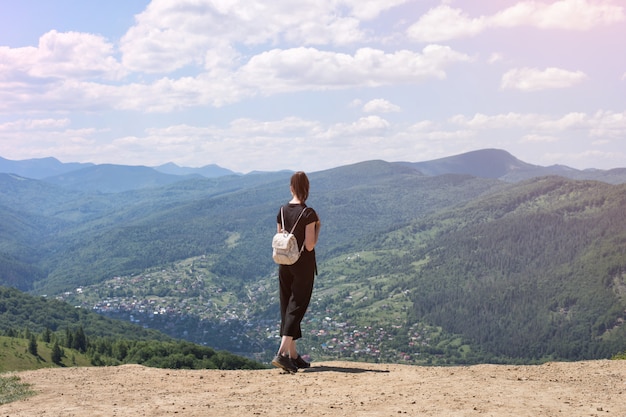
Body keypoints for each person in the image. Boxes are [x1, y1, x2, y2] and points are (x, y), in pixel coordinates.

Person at [272, 171, 321, 373]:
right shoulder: (308, 213)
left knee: (287, 307)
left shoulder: (282, 211)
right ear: (306, 188)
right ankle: (282, 353)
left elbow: (279, 237)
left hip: (284, 263)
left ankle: (293, 356)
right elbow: (309, 246)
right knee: (297, 306)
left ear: (291, 187)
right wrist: (318, 228)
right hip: (302, 265)